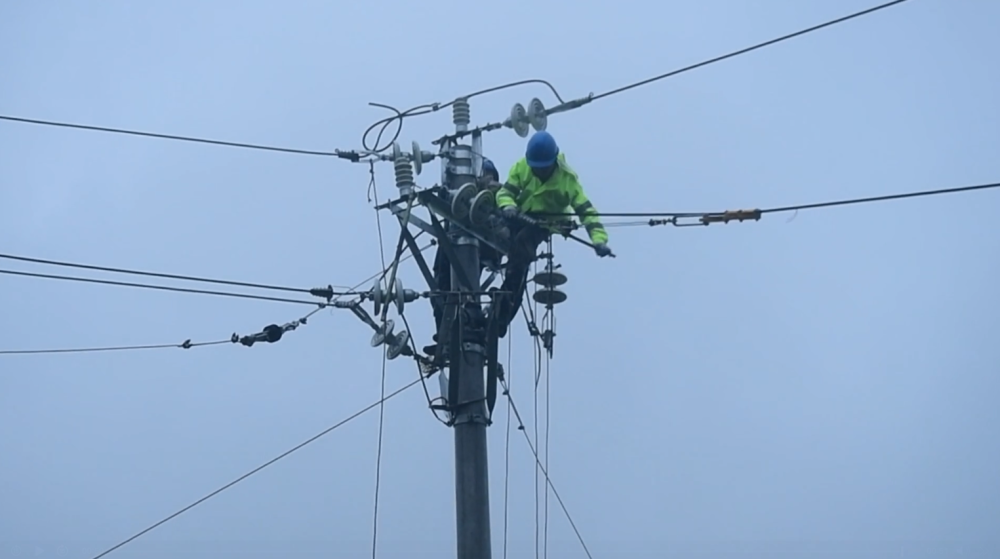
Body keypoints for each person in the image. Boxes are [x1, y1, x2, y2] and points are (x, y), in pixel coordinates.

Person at [493, 130, 612, 337]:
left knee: (521, 252)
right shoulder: (523, 167)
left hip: (545, 222)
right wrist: (508, 205)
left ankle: (503, 307)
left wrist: (599, 240)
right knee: (490, 235)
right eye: (536, 168)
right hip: (518, 215)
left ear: (554, 162)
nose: (539, 172)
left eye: (544, 168)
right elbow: (505, 193)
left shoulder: (568, 179)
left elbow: (587, 212)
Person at [429, 157, 503, 343]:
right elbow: (444, 201)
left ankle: (468, 326)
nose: (488, 180)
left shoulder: (497, 196)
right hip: (451, 244)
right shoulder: (462, 196)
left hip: (478, 249)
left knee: (465, 289)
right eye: (484, 176)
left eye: (490, 176)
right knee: (441, 287)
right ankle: (446, 333)